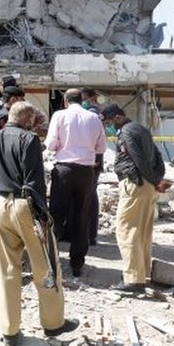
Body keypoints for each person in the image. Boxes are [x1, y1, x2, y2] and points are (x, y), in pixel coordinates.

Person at [0, 101, 78, 346]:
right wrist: (42, 215)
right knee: (45, 265)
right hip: (25, 206)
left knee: (5, 270)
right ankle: (53, 323)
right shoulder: (28, 140)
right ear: (29, 120)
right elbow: (33, 181)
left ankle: (9, 331)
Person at [100, 103, 171, 293]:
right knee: (142, 232)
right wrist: (157, 179)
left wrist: (155, 179)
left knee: (126, 230)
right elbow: (157, 155)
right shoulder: (141, 129)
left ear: (116, 117)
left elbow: (138, 159)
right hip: (147, 186)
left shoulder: (127, 133)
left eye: (108, 122)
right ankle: (141, 273)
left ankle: (133, 279)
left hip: (135, 185)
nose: (108, 127)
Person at [45, 88, 106, 277]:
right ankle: (77, 263)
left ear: (65, 101)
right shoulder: (94, 118)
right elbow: (101, 147)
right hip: (86, 171)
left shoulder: (59, 115)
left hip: (63, 170)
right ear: (82, 100)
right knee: (82, 216)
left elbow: (51, 144)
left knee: (56, 215)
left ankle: (52, 260)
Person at [80, 88, 103, 246]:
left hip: (91, 160)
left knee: (88, 197)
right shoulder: (92, 114)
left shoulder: (92, 114)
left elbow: (98, 140)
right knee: (88, 196)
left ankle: (89, 234)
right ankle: (89, 233)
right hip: (92, 159)